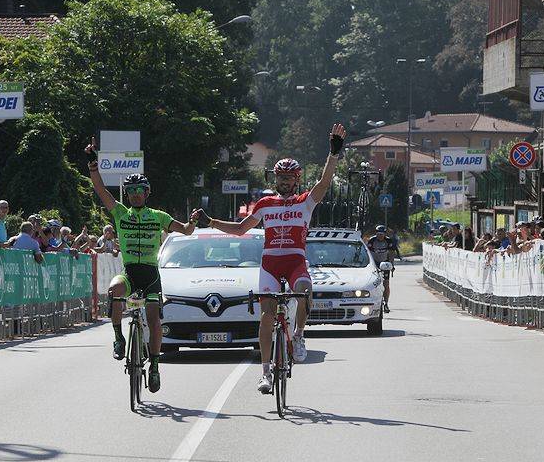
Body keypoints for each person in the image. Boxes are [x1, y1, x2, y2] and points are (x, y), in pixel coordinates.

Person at [195, 123, 347, 394]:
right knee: (266, 317)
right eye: (280, 178)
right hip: (270, 264)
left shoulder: (305, 202)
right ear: (274, 179)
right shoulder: (265, 204)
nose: (284, 182)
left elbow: (324, 183)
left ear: (297, 180)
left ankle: (299, 335)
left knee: (304, 289)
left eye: (289, 178)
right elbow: (241, 229)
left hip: (295, 261)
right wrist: (211, 222)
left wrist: (333, 154)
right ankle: (265, 373)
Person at [87, 139, 196, 394]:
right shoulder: (120, 213)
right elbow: (101, 189)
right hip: (129, 274)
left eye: (140, 190)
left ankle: (155, 366)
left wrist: (192, 222)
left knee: (153, 318)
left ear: (147, 193)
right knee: (114, 290)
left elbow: (187, 231)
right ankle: (117, 338)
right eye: (131, 190)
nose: (135, 194)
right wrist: (93, 164)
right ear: (127, 194)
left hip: (150, 276)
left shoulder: (159, 216)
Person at [367, 225, 396, 313]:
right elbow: (367, 252)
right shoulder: (372, 241)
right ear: (376, 234)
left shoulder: (388, 241)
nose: (380, 236)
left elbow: (391, 254)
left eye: (382, 234)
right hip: (374, 264)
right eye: (378, 234)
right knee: (373, 284)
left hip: (385, 263)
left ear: (385, 234)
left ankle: (386, 304)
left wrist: (392, 265)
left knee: (386, 284)